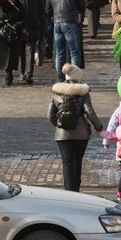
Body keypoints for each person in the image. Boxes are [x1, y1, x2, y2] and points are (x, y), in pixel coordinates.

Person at [47, 64, 103, 192]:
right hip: (81, 133)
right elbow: (90, 112)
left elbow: (50, 115)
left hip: (62, 135)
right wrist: (99, 127)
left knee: (67, 162)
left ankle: (68, 191)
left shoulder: (57, 91)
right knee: (77, 161)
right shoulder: (83, 92)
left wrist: (60, 125)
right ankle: (76, 191)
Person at [46, 0, 86, 82]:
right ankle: (74, 78)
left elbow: (47, 10)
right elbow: (82, 6)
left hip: (57, 23)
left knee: (59, 53)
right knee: (74, 52)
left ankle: (60, 78)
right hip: (70, 22)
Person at [0, 0, 26, 86]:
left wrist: (16, 26)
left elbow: (24, 19)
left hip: (14, 34)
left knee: (13, 55)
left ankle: (10, 72)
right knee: (4, 55)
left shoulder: (19, 5)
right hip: (2, 34)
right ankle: (7, 72)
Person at [16, 0, 44, 84]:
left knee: (30, 50)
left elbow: (41, 11)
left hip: (33, 27)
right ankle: (21, 72)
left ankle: (29, 74)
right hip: (19, 28)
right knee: (20, 52)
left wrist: (42, 26)